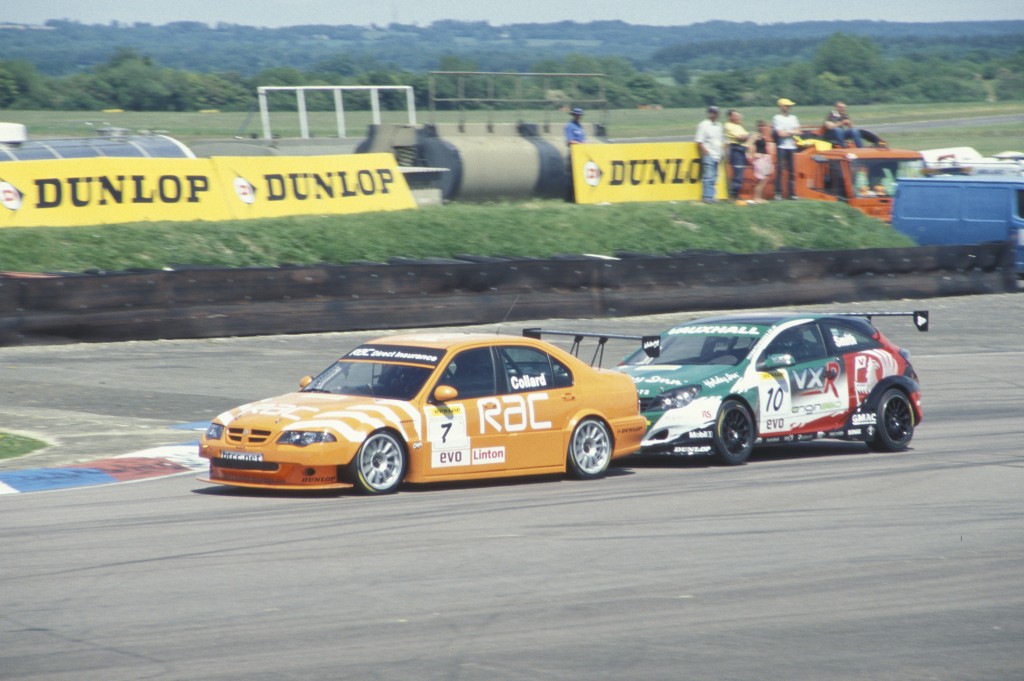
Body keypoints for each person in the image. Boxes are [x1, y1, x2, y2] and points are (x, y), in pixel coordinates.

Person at [772, 97, 800, 200]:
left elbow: (798, 131)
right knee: (780, 169)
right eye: (787, 106)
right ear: (781, 106)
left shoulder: (793, 118)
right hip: (781, 146)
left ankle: (792, 193)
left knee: (792, 170)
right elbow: (780, 134)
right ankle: (778, 193)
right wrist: (791, 132)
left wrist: (788, 132)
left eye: (789, 106)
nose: (789, 108)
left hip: (791, 146)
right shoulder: (777, 118)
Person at [694, 105, 724, 204]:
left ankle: (712, 196)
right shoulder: (704, 125)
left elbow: (720, 140)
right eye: (714, 113)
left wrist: (720, 154)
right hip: (709, 153)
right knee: (708, 176)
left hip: (717, 154)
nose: (716, 115)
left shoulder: (719, 126)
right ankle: (707, 197)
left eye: (717, 113)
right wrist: (705, 152)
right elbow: (699, 141)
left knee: (714, 177)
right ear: (710, 114)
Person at [723, 109, 750, 200]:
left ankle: (736, 193)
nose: (739, 118)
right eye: (736, 116)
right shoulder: (728, 126)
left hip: (742, 150)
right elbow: (741, 137)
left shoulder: (738, 126)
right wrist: (745, 137)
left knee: (741, 173)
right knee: (737, 173)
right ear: (730, 117)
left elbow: (746, 136)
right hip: (736, 149)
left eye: (739, 116)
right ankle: (733, 194)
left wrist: (745, 137)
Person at [748, 120, 774, 203]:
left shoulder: (763, 136)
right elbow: (749, 146)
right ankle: (756, 198)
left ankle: (760, 197)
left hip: (765, 158)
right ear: (757, 127)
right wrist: (754, 155)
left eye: (763, 126)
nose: (761, 127)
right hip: (760, 159)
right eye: (760, 126)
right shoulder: (755, 136)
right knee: (761, 179)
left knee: (765, 179)